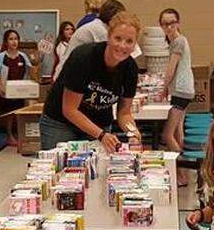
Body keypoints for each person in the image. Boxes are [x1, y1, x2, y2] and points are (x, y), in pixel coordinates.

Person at [40, 11, 141, 152]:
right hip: (61, 122)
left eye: (129, 41)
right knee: (58, 167)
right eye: (118, 38)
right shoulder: (83, 57)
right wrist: (101, 135)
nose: (122, 46)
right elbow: (69, 110)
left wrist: (132, 133)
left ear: (135, 44)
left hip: (98, 122)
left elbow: (124, 113)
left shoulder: (130, 68)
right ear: (108, 37)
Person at [157, 8, 196, 186]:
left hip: (181, 91)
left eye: (172, 23)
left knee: (167, 135)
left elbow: (171, 68)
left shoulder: (178, 42)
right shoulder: (177, 41)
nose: (169, 27)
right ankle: (181, 172)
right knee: (178, 131)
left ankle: (183, 173)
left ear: (178, 23)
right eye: (165, 24)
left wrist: (163, 88)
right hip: (183, 90)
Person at [55, 0, 133, 76]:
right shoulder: (99, 30)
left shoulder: (97, 26)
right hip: (67, 76)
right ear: (113, 17)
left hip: (71, 72)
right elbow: (111, 57)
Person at [0, 29, 35, 146]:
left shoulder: (23, 56)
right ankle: (9, 135)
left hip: (20, 91)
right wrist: (1, 87)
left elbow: (31, 71)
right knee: (9, 113)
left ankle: (19, 135)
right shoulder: (2, 56)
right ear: (6, 42)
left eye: (16, 39)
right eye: (11, 39)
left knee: (19, 113)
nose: (14, 42)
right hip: (6, 91)